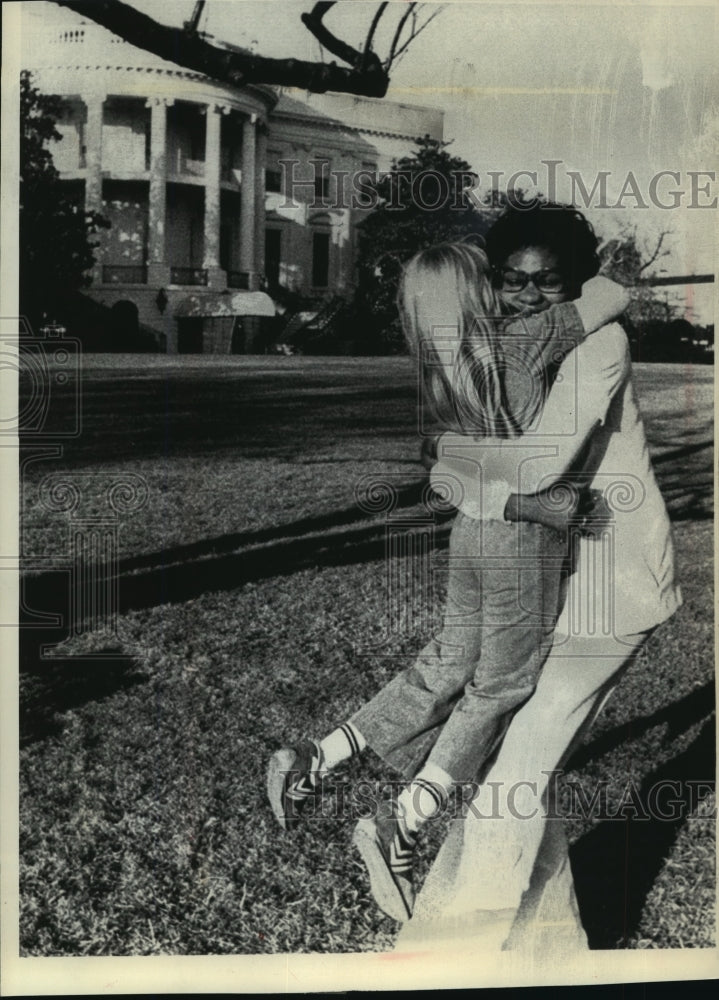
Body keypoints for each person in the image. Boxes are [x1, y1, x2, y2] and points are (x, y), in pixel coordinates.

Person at [267, 238, 629, 922]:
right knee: (501, 686)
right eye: (495, 279)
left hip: (469, 530)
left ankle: (318, 755)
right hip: (523, 540)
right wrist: (590, 279)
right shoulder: (524, 338)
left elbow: (441, 464)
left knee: (446, 662)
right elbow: (611, 296)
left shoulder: (437, 365)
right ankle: (401, 823)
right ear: (478, 290)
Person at [394, 202, 682, 955]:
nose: (525, 296)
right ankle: (539, 944)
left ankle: (463, 949)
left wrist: (445, 456)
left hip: (616, 576)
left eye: (547, 282)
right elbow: (484, 482)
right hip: (559, 564)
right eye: (511, 280)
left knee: (519, 763)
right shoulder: (525, 345)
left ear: (576, 281)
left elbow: (535, 469)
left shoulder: (600, 345)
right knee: (521, 760)